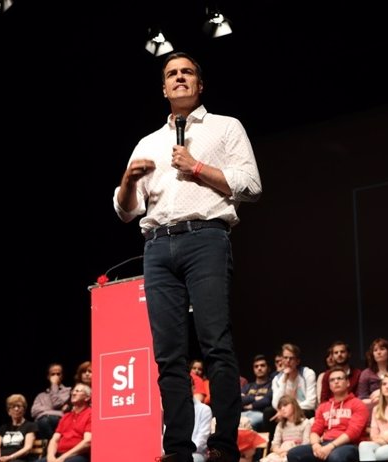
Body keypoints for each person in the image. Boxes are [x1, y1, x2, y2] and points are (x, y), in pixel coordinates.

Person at [113, 51, 262, 462]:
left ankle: (223, 446)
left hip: (207, 237)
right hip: (157, 245)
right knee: (168, 356)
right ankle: (177, 449)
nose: (179, 78)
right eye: (171, 74)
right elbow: (127, 210)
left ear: (200, 83)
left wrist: (197, 167)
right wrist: (127, 182)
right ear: (163, 88)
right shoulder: (148, 143)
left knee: (216, 343)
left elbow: (250, 186)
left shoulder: (225, 127)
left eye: (187, 72)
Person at [286, 365, 369, 462]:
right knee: (294, 454)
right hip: (325, 442)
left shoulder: (358, 404)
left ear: (347, 383)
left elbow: (353, 432)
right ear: (329, 386)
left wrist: (331, 446)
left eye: (339, 378)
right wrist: (315, 445)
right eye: (332, 380)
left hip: (349, 445)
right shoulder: (323, 407)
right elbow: (315, 431)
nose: (336, 382)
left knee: (335, 457)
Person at [37, 384, 92, 462]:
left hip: (78, 455)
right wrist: (50, 457)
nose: (73, 393)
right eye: (73, 391)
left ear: (87, 397)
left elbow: (87, 442)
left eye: (78, 391)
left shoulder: (91, 414)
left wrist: (63, 458)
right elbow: (54, 440)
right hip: (59, 454)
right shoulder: (66, 416)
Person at [357, 338, 388, 414]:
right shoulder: (366, 373)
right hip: (373, 411)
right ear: (372, 354)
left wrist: (381, 393)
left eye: (382, 349)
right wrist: (377, 400)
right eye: (375, 350)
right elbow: (361, 399)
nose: (379, 352)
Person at [261, 396, 311, 462]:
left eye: (285, 405)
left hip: (296, 454)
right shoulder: (280, 425)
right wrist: (280, 451)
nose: (282, 409)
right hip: (281, 453)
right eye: (280, 407)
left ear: (294, 405)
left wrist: (288, 452)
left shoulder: (305, 423)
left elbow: (306, 445)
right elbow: (275, 444)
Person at [0, 394, 39, 462]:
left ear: (24, 410)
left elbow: (27, 447)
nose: (16, 409)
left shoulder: (30, 426)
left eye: (19, 406)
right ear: (9, 411)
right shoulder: (3, 428)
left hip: (18, 459)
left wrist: (10, 457)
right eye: (13, 406)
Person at [31, 363, 71, 440]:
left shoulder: (68, 391)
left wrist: (54, 385)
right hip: (42, 423)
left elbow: (56, 404)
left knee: (45, 420)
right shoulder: (41, 395)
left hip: (60, 421)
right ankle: (54, 445)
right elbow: (33, 412)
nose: (56, 376)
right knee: (42, 421)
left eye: (58, 374)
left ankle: (51, 446)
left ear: (62, 376)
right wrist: (51, 409)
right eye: (53, 374)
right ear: (48, 377)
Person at [241, 354, 273, 432]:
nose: (259, 368)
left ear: (268, 368)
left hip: (260, 414)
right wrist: (255, 398)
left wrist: (250, 405)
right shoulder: (248, 386)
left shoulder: (272, 384)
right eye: (256, 366)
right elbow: (239, 400)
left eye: (262, 365)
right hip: (243, 414)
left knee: (245, 424)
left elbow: (266, 401)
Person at [192, 387, 213, 462]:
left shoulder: (204, 409)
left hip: (197, 452)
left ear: (193, 388)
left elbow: (202, 440)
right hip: (177, 452)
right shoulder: (175, 409)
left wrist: (185, 451)